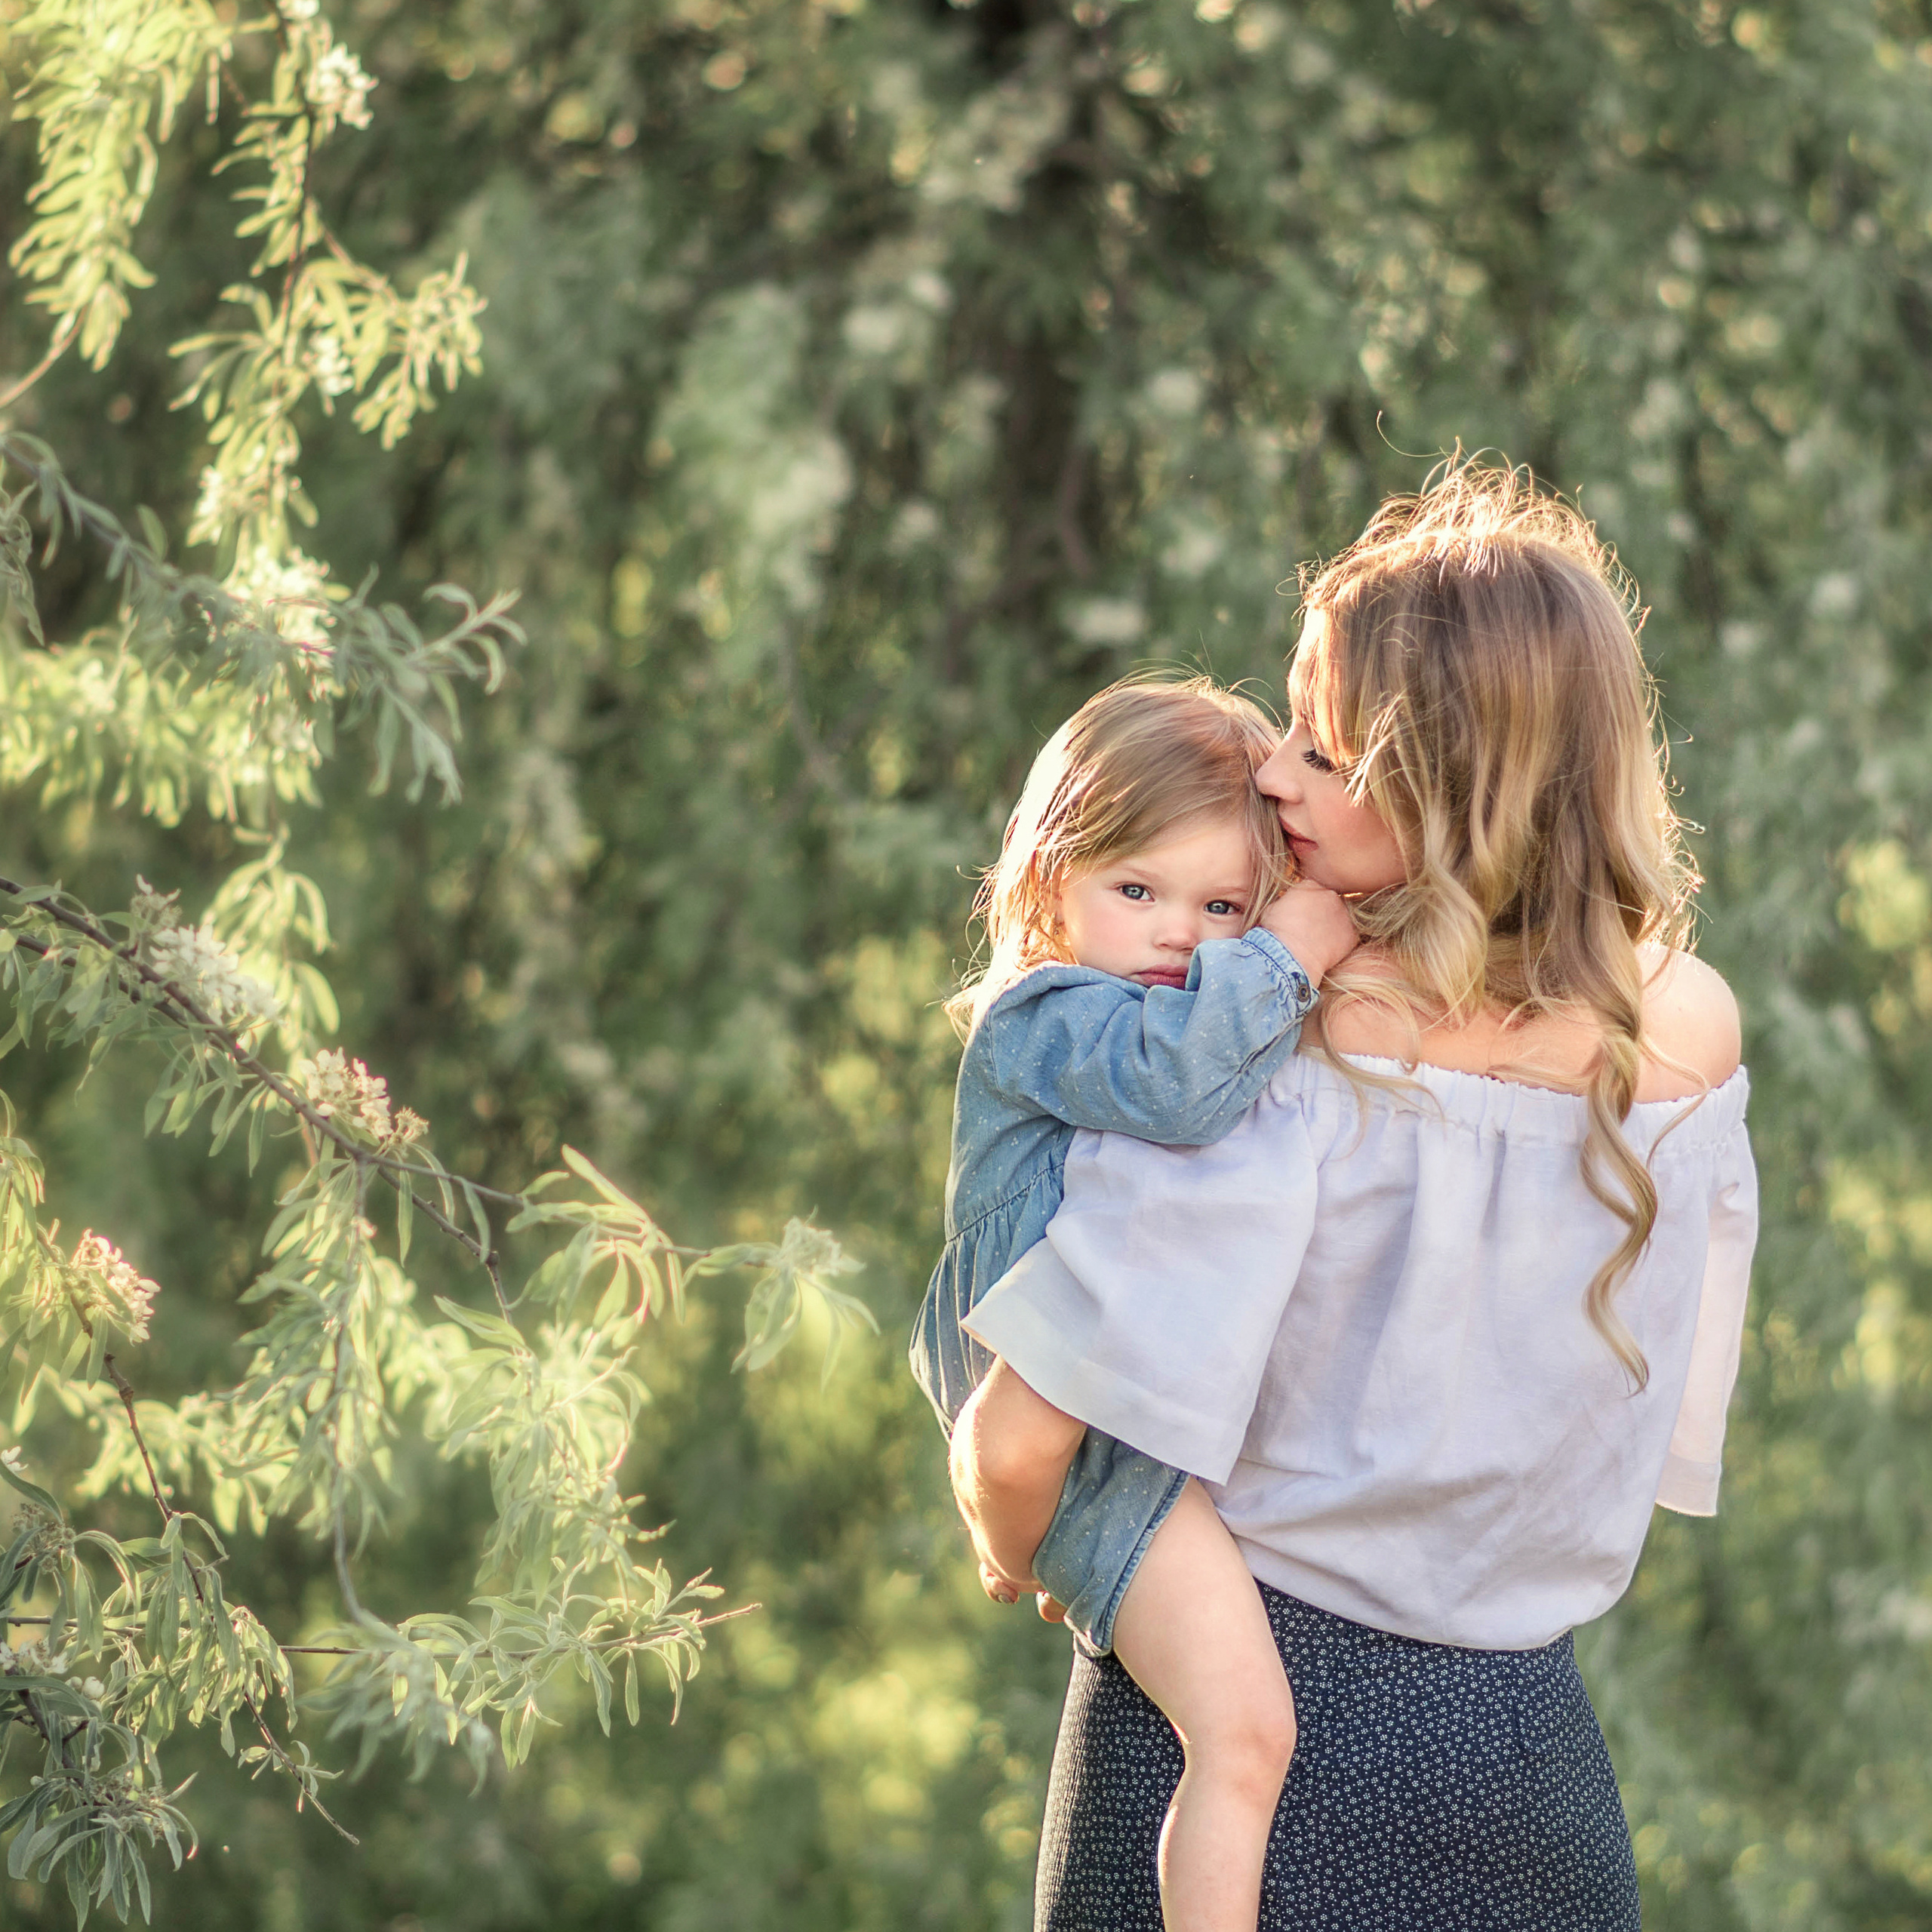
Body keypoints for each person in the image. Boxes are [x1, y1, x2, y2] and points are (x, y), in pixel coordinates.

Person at [952, 463, 1758, 1930]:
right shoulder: (1685, 1037)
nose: (1272, 776)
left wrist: (1002, 1524)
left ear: (1445, 787)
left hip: (1223, 1745)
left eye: (1322, 753)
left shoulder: (1277, 1029)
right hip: (1527, 1768)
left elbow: (1024, 1426)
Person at [912, 675, 1359, 1932]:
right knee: (1245, 1731)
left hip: (1112, 1427)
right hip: (1074, 1426)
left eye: (1222, 905)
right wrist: (1288, 952)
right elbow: (1177, 1090)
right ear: (1051, 881)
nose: (1178, 935)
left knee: (1244, 1730)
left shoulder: (1180, 1000)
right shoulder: (1048, 1015)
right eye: (1137, 891)